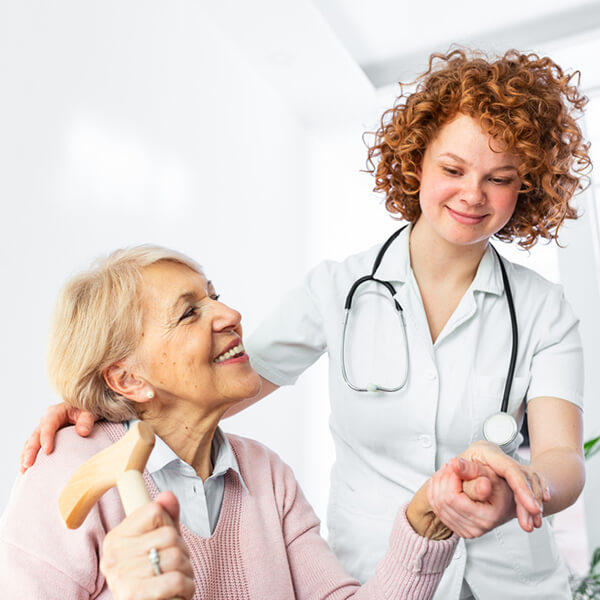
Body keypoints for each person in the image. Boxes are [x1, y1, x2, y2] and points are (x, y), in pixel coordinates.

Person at [20, 48, 591, 599]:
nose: (473, 193)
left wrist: (527, 486)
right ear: (417, 161)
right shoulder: (338, 290)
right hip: (376, 570)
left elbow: (562, 458)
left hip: (510, 577)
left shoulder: (543, 309)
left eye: (501, 177)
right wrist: (100, 411)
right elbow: (215, 380)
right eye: (453, 168)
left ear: (527, 186)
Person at [2, 245, 522, 599]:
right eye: (189, 312)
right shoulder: (63, 471)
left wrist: (425, 520)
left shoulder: (265, 474)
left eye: (214, 295)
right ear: (129, 379)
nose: (229, 315)